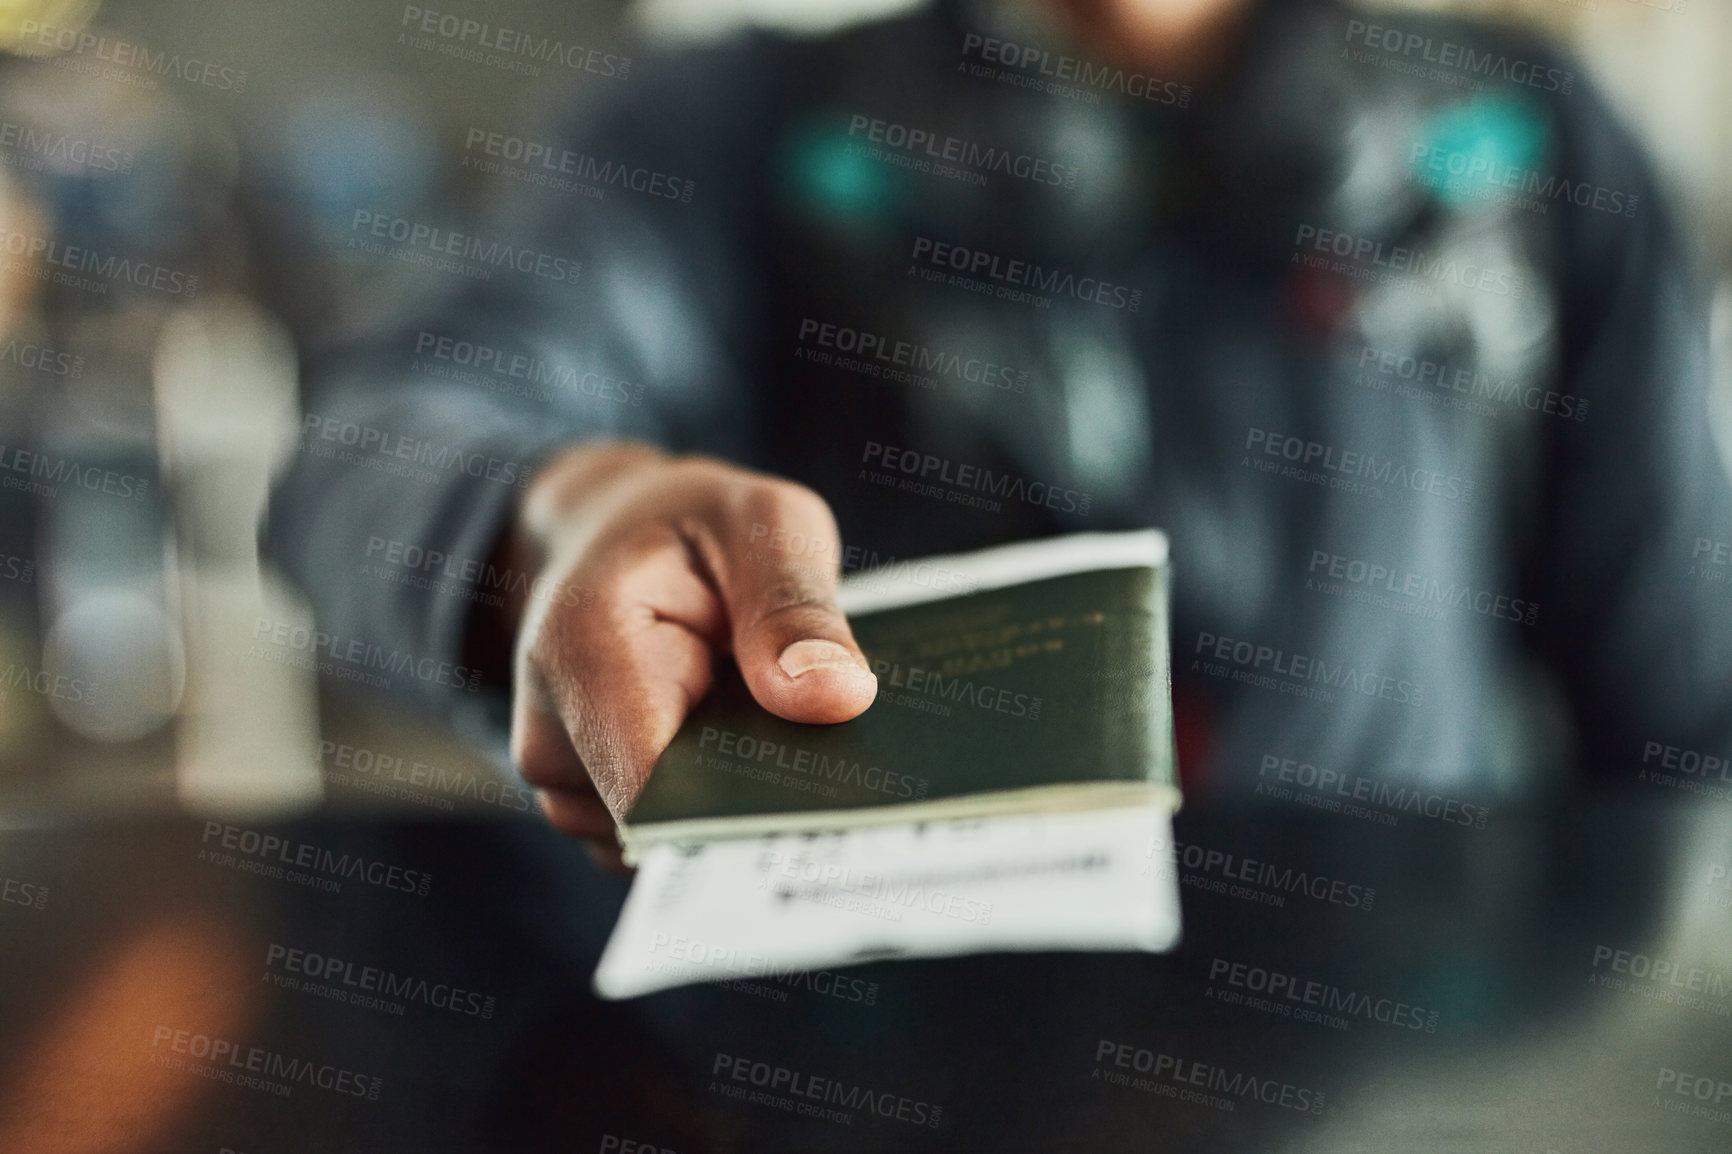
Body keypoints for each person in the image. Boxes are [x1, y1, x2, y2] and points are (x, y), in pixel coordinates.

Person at [269, 0, 1732, 866]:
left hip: (1419, 1080)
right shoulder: (729, 131)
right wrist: (551, 522)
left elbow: (1683, 715)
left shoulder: (1535, 159)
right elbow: (375, 440)